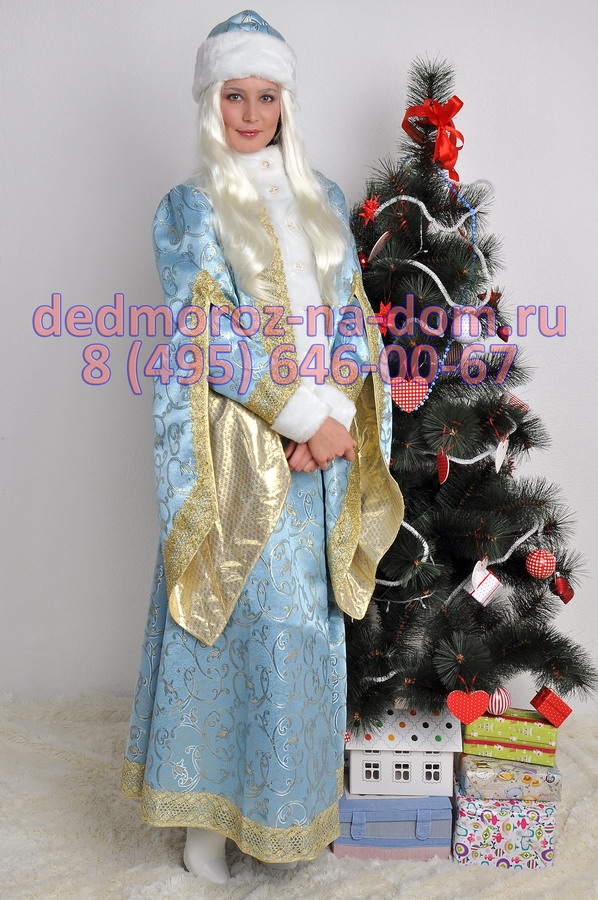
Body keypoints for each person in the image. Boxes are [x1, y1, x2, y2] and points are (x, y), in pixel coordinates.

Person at [119, 9, 404, 884]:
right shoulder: (191, 207)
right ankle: (205, 823)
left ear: (286, 101)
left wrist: (335, 418)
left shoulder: (322, 196)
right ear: (212, 102)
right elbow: (207, 333)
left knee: (301, 635)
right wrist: (302, 419)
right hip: (244, 452)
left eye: (266, 96)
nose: (251, 114)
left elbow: (352, 315)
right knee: (232, 624)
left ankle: (280, 812)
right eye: (234, 96)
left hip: (320, 459)